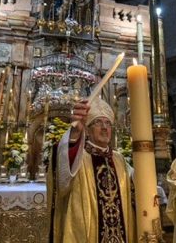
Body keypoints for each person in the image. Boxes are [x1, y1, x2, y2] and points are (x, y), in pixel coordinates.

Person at [47, 98, 135, 242]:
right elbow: (62, 178)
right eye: (98, 122)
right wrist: (74, 133)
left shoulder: (119, 159)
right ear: (87, 129)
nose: (104, 127)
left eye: (107, 123)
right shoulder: (78, 156)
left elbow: (135, 186)